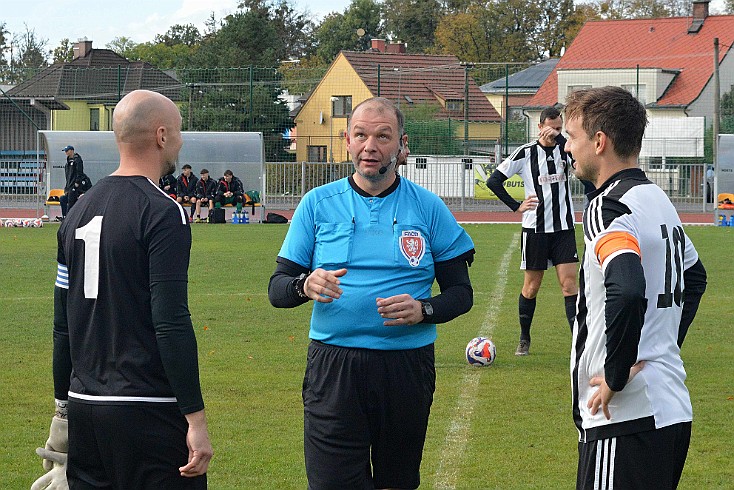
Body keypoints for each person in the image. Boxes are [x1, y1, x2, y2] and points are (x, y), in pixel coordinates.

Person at [268, 97, 475, 489]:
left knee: (396, 481)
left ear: (401, 144)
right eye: (361, 135)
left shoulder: (428, 207)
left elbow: (461, 293)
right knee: (332, 483)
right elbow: (278, 289)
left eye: (383, 136)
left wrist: (423, 309)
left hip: (406, 367)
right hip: (334, 366)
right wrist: (305, 285)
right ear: (347, 141)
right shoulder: (317, 204)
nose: (371, 146)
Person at [34, 89, 213, 489]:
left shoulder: (77, 210)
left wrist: (63, 407)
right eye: (179, 132)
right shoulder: (163, 211)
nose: (180, 142)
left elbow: (62, 325)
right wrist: (195, 417)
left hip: (86, 407)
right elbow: (169, 320)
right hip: (147, 408)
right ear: (162, 135)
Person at [563, 86, 707, 489]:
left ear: (599, 141)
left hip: (623, 419)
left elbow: (625, 287)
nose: (567, 148)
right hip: (670, 410)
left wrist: (616, 373)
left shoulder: (607, 206)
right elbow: (695, 276)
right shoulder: (657, 199)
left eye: (572, 137)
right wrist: (661, 346)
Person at [486, 106, 578, 356]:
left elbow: (582, 168)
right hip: (535, 229)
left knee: (569, 285)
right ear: (539, 127)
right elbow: (493, 181)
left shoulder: (565, 149)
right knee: (531, 287)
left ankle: (579, 343)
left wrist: (561, 140)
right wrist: (516, 206)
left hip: (563, 228)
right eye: (551, 127)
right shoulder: (526, 153)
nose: (555, 132)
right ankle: (524, 338)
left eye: (559, 128)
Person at [58, 145, 84, 221]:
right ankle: (65, 216)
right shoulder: (68, 162)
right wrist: (66, 188)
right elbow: (68, 176)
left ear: (71, 150)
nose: (66, 152)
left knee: (71, 202)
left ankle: (69, 219)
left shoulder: (77, 160)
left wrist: (77, 183)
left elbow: (79, 173)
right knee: (63, 199)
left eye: (67, 150)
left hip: (74, 187)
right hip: (69, 186)